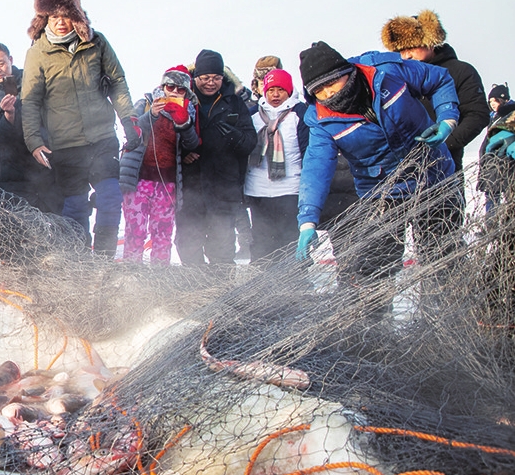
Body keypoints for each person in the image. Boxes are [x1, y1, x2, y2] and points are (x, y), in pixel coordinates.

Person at [294, 42, 460, 290]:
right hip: (381, 193)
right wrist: (308, 221)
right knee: (376, 268)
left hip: (434, 176)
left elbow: (439, 79)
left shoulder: (387, 72)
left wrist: (447, 120)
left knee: (442, 258)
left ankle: (442, 315)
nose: (328, 94)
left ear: (346, 73)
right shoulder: (320, 120)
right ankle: (372, 323)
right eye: (319, 90)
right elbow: (316, 167)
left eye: (331, 83)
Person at [21, 0, 136, 256]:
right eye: (54, 17)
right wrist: (33, 140)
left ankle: (105, 258)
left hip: (102, 138)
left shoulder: (97, 42)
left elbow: (118, 81)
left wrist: (129, 118)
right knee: (75, 207)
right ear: (44, 18)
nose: (61, 23)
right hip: (65, 144)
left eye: (66, 16)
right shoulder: (37, 52)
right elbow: (30, 100)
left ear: (77, 14)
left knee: (110, 198)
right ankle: (81, 262)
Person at [381, 10, 488, 232]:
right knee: (390, 248)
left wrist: (443, 145)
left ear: (430, 43)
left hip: (444, 172)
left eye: (412, 47)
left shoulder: (461, 71)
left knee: (440, 240)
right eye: (401, 50)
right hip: (400, 176)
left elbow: (477, 115)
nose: (407, 55)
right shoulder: (394, 79)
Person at [175, 49, 258, 266]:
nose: (211, 83)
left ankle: (221, 294)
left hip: (223, 188)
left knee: (222, 249)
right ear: (196, 77)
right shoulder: (183, 99)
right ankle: (196, 294)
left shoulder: (235, 103)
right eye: (205, 78)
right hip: (190, 188)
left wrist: (235, 136)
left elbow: (250, 142)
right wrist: (182, 153)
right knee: (188, 244)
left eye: (216, 78)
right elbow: (166, 138)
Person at [118, 66, 200, 263]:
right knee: (135, 231)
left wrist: (184, 122)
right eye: (170, 86)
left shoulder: (189, 111)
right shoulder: (146, 102)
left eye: (181, 90)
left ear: (187, 93)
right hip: (139, 180)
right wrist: (152, 115)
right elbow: (131, 130)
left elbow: (192, 144)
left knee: (162, 234)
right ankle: (131, 274)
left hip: (167, 183)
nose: (174, 92)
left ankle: (159, 277)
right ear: (162, 86)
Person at [0, 42, 61, 214]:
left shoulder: (32, 81)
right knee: (17, 233)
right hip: (9, 177)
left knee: (58, 225)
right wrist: (9, 115)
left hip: (45, 169)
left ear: (10, 60)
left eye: (1, 63)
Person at [244, 69, 308, 261]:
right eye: (271, 90)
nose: (276, 95)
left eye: (281, 90)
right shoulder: (253, 114)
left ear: (289, 91)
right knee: (262, 244)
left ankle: (296, 284)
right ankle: (262, 288)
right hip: (258, 191)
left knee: (289, 242)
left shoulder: (299, 113)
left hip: (290, 190)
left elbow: (307, 152)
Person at [479, 83, 514, 212]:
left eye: (495, 100)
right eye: (490, 101)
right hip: (492, 166)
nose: (492, 104)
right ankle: (491, 229)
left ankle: (501, 229)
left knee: (507, 200)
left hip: (505, 165)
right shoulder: (493, 117)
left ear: (504, 99)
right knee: (492, 199)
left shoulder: (511, 116)